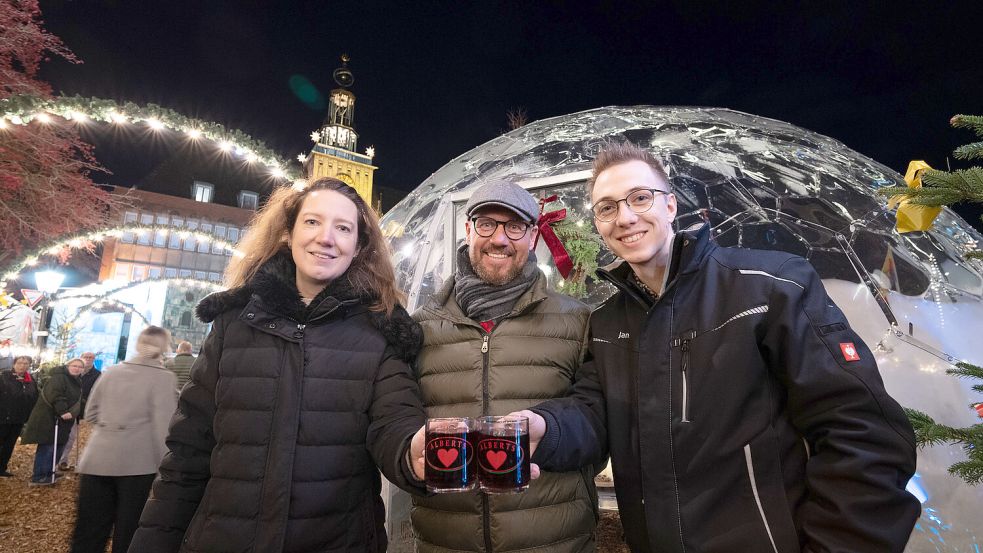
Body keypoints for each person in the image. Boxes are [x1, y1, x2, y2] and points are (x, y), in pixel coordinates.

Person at [520, 141, 920, 552]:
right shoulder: (608, 323)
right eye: (607, 208)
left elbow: (864, 436)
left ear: (671, 206)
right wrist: (546, 429)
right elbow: (595, 412)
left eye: (640, 198)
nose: (624, 217)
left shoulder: (770, 287)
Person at [129, 177, 427, 553]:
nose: (326, 238)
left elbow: (394, 422)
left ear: (359, 245)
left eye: (344, 228)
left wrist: (411, 454)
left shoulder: (379, 332)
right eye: (313, 222)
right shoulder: (233, 324)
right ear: (288, 232)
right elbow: (187, 455)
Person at [408, 179, 597, 553]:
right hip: (446, 541)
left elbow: (600, 423)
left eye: (514, 226)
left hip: (554, 542)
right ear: (467, 230)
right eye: (487, 223)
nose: (499, 239)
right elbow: (392, 421)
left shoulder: (576, 323)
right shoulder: (419, 328)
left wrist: (550, 430)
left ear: (533, 237)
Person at [70, 327, 178, 553]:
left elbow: (90, 412)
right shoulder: (163, 378)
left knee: (89, 531)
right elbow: (163, 428)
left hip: (97, 457)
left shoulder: (111, 372)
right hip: (137, 463)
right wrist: (165, 469)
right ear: (164, 348)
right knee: (128, 532)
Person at [20, 357, 83, 485]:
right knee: (48, 445)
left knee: (59, 445)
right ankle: (39, 475)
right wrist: (63, 411)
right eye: (74, 365)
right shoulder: (59, 378)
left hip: (64, 420)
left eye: (79, 367)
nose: (77, 368)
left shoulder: (75, 380)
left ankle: (49, 471)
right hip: (51, 417)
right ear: (68, 366)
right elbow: (55, 395)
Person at [59, 351, 100, 471]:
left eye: (91, 357)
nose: (88, 359)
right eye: (86, 357)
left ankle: (63, 460)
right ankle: (58, 459)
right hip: (65, 406)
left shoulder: (97, 374)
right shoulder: (71, 373)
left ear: (94, 359)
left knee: (71, 436)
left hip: (79, 408)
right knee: (63, 434)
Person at [0, 355, 39, 477]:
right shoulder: (4, 377)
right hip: (3, 416)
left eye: (26, 363)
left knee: (9, 444)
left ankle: (1, 468)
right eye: (20, 363)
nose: (22, 366)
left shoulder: (30, 379)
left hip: (19, 418)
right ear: (14, 364)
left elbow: (34, 397)